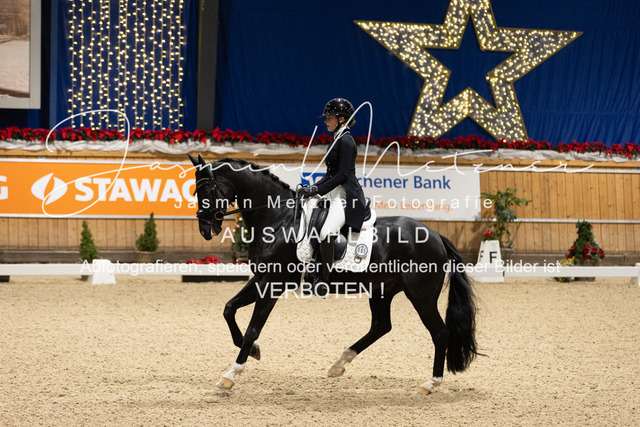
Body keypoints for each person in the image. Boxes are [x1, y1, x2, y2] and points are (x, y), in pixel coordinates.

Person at [300, 98, 367, 286]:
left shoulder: (346, 141)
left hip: (345, 196)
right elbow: (330, 174)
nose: (325, 121)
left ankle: (324, 279)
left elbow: (342, 175)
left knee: (326, 232)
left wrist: (319, 189)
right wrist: (312, 188)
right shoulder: (337, 138)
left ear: (341, 119)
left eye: (329, 118)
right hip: (334, 192)